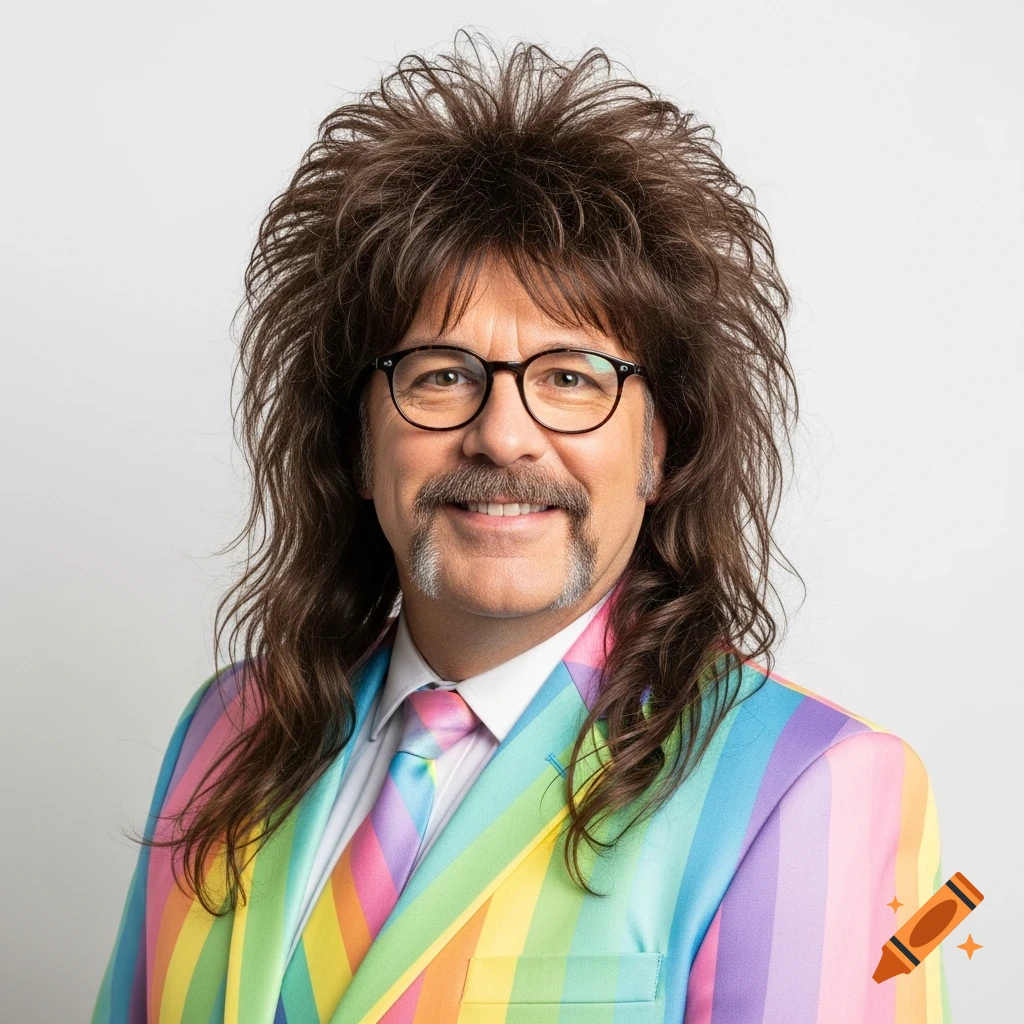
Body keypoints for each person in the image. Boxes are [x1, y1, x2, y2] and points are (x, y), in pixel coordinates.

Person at [92, 32, 949, 1024]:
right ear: (358, 441)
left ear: (662, 447)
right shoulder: (226, 728)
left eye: (572, 379)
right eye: (442, 373)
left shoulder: (810, 786)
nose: (502, 435)